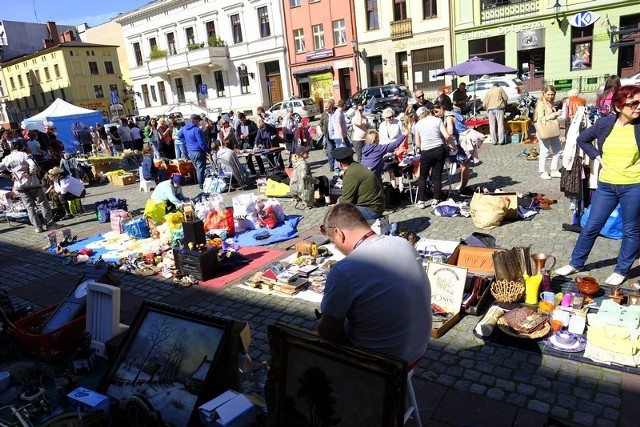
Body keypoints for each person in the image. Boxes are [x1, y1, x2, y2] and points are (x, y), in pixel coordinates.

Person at [317, 203, 431, 363]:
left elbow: (327, 331)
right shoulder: (402, 243)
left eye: (333, 241)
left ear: (339, 233)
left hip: (381, 362)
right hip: (417, 350)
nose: (337, 247)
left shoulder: (344, 270)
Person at [555, 85, 640, 287]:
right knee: (591, 225)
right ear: (619, 107)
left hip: (634, 186)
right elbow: (582, 139)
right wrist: (596, 156)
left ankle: (621, 269)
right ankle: (576, 263)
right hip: (606, 186)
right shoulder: (604, 124)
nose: (638, 107)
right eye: (633, 103)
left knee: (631, 230)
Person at [0, 139, 53, 232]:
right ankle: (49, 223)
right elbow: (33, 165)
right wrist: (29, 172)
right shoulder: (25, 155)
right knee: (43, 203)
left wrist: (8, 175)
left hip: (19, 185)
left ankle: (38, 227)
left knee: (29, 207)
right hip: (33, 183)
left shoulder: (7, 158)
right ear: (21, 146)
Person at [414, 105, 454, 208]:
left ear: (419, 116)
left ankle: (421, 201)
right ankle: (436, 199)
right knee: (437, 176)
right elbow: (447, 136)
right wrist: (453, 146)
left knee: (423, 177)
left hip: (426, 151)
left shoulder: (418, 125)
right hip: (439, 149)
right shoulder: (437, 120)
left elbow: (417, 144)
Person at [333, 146, 385, 219]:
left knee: (338, 216)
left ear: (340, 164)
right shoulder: (356, 166)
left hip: (371, 209)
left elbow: (346, 201)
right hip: (376, 205)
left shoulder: (351, 174)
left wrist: (337, 203)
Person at [436, 95, 471, 192]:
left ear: (442, 107)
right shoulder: (455, 113)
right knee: (464, 165)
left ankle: (462, 187)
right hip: (463, 141)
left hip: (460, 143)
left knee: (464, 165)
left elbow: (450, 132)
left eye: (437, 110)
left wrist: (442, 137)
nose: (437, 113)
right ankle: (462, 185)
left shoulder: (449, 116)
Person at [534, 85, 563, 180]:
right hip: (544, 131)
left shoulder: (551, 103)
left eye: (552, 94)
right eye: (548, 94)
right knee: (544, 152)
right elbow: (541, 119)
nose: (550, 96)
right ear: (544, 93)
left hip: (552, 130)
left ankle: (554, 170)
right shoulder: (541, 104)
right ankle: (542, 172)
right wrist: (554, 114)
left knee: (558, 150)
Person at [178, 114, 208, 190]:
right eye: (199, 121)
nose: (199, 122)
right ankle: (201, 186)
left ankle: (201, 184)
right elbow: (201, 143)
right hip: (198, 151)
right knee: (200, 169)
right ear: (195, 121)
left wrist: (185, 143)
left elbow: (179, 135)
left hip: (190, 151)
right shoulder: (197, 130)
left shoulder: (184, 128)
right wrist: (207, 150)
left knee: (197, 168)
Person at [320, 99, 335, 173]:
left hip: (336, 135)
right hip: (328, 135)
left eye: (326, 107)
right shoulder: (323, 114)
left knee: (337, 149)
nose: (325, 108)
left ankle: (338, 165)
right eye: (324, 107)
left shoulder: (335, 113)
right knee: (330, 150)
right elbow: (321, 123)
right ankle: (332, 166)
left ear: (331, 106)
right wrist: (323, 130)